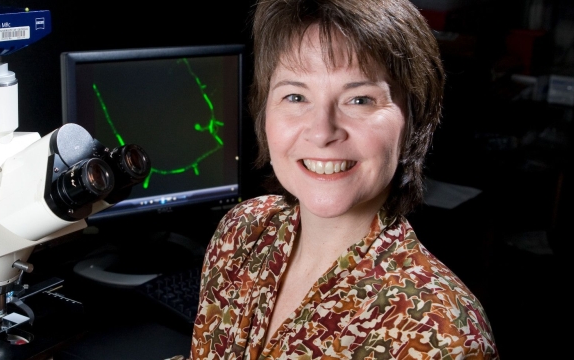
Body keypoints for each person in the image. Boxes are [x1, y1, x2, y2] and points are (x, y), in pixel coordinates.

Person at [188, 0, 499, 358]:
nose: (322, 132)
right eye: (295, 96)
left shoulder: (442, 334)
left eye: (359, 100)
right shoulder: (242, 231)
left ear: (413, 121)